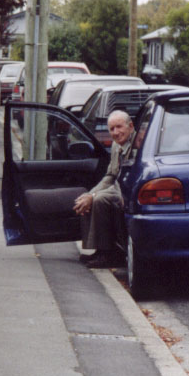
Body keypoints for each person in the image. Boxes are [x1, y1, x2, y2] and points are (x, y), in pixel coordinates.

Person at [73, 110, 135, 268]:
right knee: (86, 199)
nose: (116, 132)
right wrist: (90, 194)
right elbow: (110, 176)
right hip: (117, 187)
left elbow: (124, 183)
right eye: (112, 129)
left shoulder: (138, 146)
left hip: (128, 192)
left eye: (119, 127)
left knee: (99, 200)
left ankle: (109, 254)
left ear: (130, 126)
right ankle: (99, 251)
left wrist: (94, 196)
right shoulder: (116, 145)